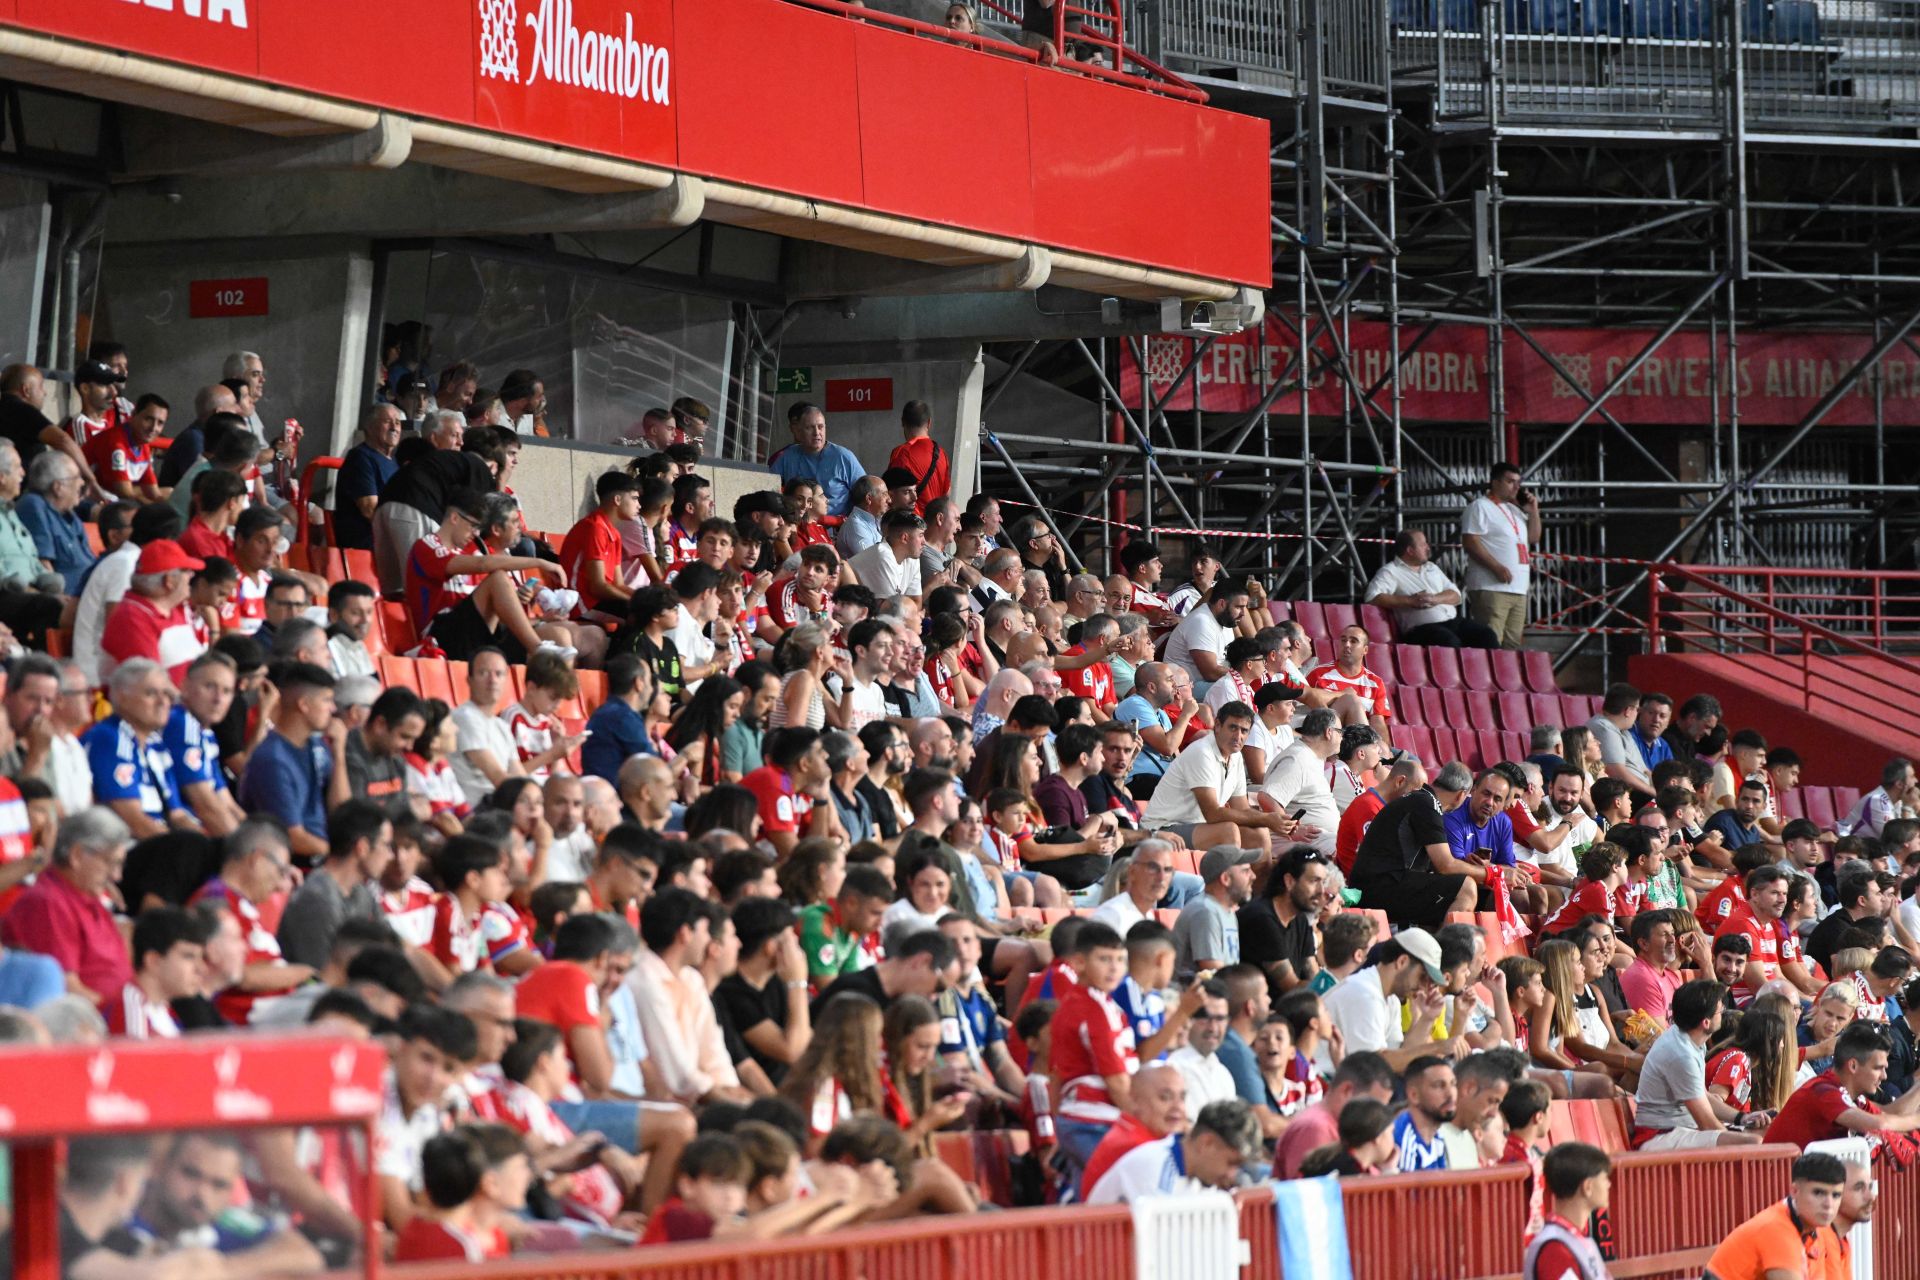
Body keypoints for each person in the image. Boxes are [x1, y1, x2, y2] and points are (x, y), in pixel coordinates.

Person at [1349, 761, 1487, 929]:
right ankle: (1453, 952)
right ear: (1461, 795)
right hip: (1378, 887)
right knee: (1466, 888)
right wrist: (1491, 873)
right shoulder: (1426, 804)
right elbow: (1446, 865)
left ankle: (1431, 950)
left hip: (1381, 883)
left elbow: (1437, 865)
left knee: (1468, 891)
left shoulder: (1422, 799)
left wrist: (1470, 866)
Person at [237, 662, 349, 863]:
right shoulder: (272, 759)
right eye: (326, 700)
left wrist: (339, 754)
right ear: (304, 704)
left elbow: (343, 811)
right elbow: (292, 837)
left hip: (321, 855)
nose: (333, 709)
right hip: (292, 864)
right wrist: (342, 856)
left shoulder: (317, 746)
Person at [1632, 978, 1761, 1150]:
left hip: (1679, 1130)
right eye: (1719, 1010)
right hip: (1658, 1135)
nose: (1723, 1011)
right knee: (1752, 1142)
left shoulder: (1690, 1039)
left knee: (1763, 1130)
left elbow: (1703, 1096)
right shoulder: (1681, 1054)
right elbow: (1707, 1123)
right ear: (1705, 1022)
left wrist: (1742, 1119)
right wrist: (1733, 1137)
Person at [85, 659, 196, 839]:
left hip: (162, 844)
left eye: (167, 694)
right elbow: (134, 822)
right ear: (122, 697)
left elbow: (177, 815)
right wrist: (182, 855)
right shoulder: (109, 739)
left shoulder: (155, 744)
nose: (163, 702)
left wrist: (209, 850)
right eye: (151, 693)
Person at [1767, 1021, 1920, 1146]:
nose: (1884, 1076)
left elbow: (1892, 1114)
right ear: (1853, 1065)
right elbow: (1878, 1125)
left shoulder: (1850, 1096)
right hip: (1772, 1181)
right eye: (1878, 1068)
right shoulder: (1823, 1091)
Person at [392, 1125, 530, 1262]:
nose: (528, 1175)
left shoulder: (496, 1235)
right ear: (490, 1183)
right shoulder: (456, 1244)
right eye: (520, 1168)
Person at [1703, 1151, 1847, 1280]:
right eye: (1818, 1193)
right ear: (1795, 1191)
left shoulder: (1817, 1229)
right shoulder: (1777, 1230)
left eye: (1836, 1195)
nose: (1829, 1204)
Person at [1321, 928, 1448, 1072]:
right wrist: (1437, 1047)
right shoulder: (1363, 993)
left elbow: (1401, 1056)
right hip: (1321, 1085)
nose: (1424, 987)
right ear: (1402, 962)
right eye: (1423, 977)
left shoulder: (1390, 998)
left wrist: (1427, 1018)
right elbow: (1375, 1066)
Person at [1364, 528, 1499, 647]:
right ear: (1410, 550)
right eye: (1423, 545)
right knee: (1448, 641)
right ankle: (1452, 676)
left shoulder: (1432, 567)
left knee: (1486, 635)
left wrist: (1435, 599)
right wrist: (1410, 601)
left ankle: (1485, 676)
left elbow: (1456, 595)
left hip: (1451, 622)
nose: (1428, 548)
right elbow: (1372, 597)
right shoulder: (1391, 571)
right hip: (1421, 630)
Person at [1273, 1050, 1397, 1178]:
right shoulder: (1315, 1128)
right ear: (1347, 1091)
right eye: (1374, 1105)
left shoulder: (1350, 1129)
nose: (1380, 1116)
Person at [1459, 461, 1539, 649]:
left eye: (1518, 482)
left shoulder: (1514, 511)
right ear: (1495, 482)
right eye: (1510, 481)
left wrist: (1534, 510)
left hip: (1518, 588)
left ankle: (1506, 679)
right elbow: (1470, 541)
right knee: (1491, 641)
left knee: (1512, 644)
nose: (1516, 487)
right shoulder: (1480, 506)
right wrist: (1496, 567)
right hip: (1491, 586)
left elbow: (1534, 537)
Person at [1521, 1143, 1614, 1280]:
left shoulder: (1575, 1240)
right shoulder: (1554, 1248)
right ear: (1587, 1187)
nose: (1609, 1184)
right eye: (1604, 1178)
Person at [1305, 625, 1395, 744]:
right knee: (1350, 700)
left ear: (1365, 650)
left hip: (1361, 745)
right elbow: (1303, 704)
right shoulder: (1318, 674)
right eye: (1343, 640)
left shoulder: (1376, 683)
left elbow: (1378, 723)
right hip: (1326, 738)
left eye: (1353, 641)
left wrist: (1384, 752)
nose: (1347, 644)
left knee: (1412, 761)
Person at [769, 403, 863, 517]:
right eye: (810, 427)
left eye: (820, 427)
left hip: (836, 527)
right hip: (799, 525)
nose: (817, 433)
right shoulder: (787, 456)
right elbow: (769, 489)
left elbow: (865, 495)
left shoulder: (843, 456)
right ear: (798, 432)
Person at [335, 402, 404, 551]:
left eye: (398, 423)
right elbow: (369, 509)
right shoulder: (360, 458)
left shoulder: (395, 462)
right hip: (366, 544)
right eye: (387, 422)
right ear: (370, 427)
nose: (394, 427)